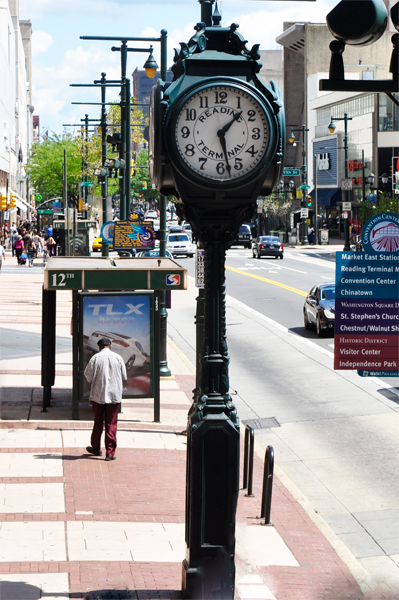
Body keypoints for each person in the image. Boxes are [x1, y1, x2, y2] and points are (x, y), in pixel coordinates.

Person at [84, 337, 127, 461]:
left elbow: (88, 376)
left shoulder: (95, 358)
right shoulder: (118, 358)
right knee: (111, 423)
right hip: (114, 396)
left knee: (98, 421)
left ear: (99, 347)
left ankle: (96, 447)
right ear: (110, 346)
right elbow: (124, 376)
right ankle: (110, 452)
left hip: (98, 395)